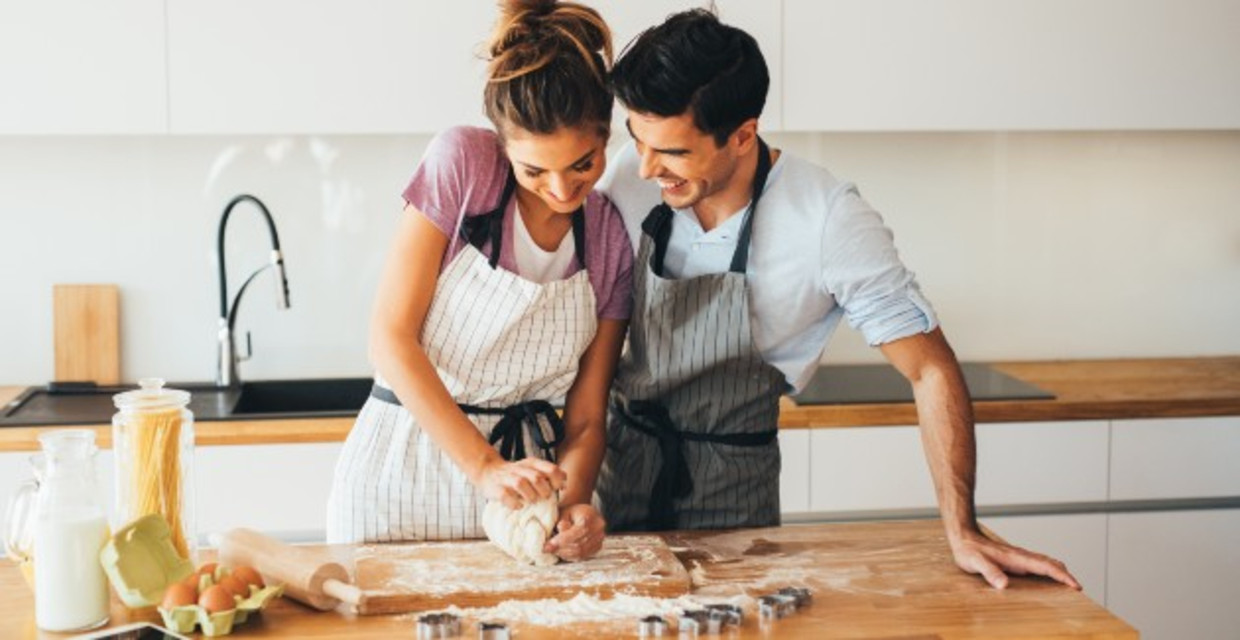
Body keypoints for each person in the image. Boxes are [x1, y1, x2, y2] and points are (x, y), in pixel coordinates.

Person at [593, 8, 1080, 590]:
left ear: (744, 134)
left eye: (673, 152)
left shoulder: (826, 218)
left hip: (733, 495)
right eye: (637, 140)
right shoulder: (629, 173)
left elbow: (929, 369)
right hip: (617, 477)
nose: (646, 168)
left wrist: (963, 527)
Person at [326, 0, 632, 562]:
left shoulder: (609, 237)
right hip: (399, 478)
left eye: (583, 165)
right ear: (504, 146)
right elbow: (390, 338)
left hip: (520, 506)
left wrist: (573, 507)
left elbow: (587, 420)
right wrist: (484, 466)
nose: (563, 190)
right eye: (535, 170)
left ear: (606, 137)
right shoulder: (464, 164)